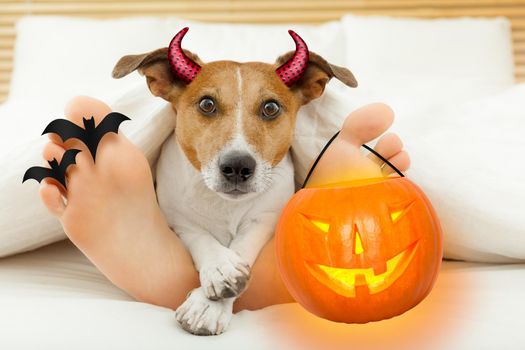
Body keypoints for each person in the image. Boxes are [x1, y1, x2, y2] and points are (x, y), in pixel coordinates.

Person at [39, 96, 410, 312]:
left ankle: (290, 241)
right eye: (207, 105)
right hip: (182, 197)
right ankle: (293, 261)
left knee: (269, 213)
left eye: (269, 109)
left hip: (267, 205)